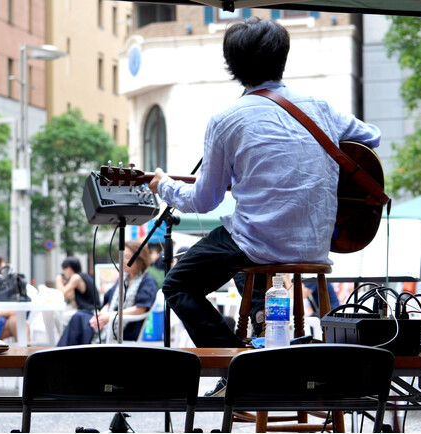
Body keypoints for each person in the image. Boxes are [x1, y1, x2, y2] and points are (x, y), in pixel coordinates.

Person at [147, 17, 381, 350]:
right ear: (282, 58)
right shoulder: (320, 107)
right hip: (315, 245)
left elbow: (204, 200)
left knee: (179, 283)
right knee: (242, 245)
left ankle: (237, 366)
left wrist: (164, 186)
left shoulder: (226, 120)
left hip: (258, 245)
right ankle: (263, 330)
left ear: (232, 66)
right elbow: (372, 136)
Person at [57, 241, 158, 346]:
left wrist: (111, 316)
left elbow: (141, 309)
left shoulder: (147, 282)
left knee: (79, 320)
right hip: (110, 320)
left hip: (126, 327)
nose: (123, 261)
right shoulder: (123, 279)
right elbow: (109, 301)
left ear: (139, 260)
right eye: (122, 257)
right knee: (79, 317)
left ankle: (62, 356)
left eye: (127, 257)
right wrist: (102, 314)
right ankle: (64, 355)